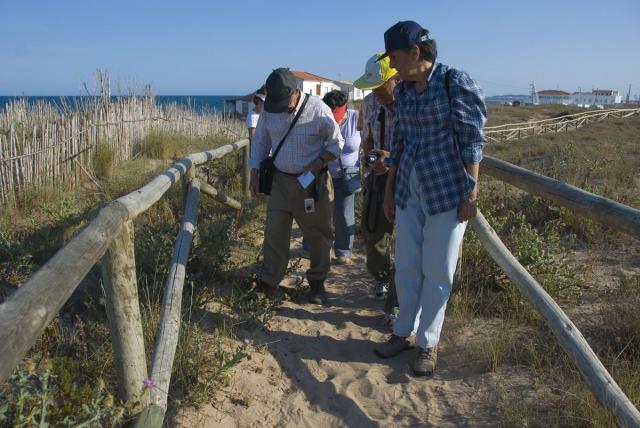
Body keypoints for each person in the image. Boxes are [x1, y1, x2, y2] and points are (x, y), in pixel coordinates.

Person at [373, 21, 487, 377]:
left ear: (415, 53)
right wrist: (390, 193)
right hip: (409, 189)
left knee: (437, 271)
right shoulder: (404, 91)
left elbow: (472, 140)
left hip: (447, 192)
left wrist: (471, 190)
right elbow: (402, 143)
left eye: (394, 57)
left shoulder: (455, 82)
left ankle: (428, 343)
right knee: (406, 266)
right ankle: (403, 332)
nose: (391, 66)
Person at [249, 68, 344, 305]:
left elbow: (337, 143)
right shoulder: (271, 110)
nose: (280, 107)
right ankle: (269, 282)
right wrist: (254, 172)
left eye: (284, 102)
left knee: (318, 235)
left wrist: (318, 163)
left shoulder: (318, 110)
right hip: (281, 182)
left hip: (311, 183)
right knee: (274, 233)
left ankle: (317, 283)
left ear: (296, 92)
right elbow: (261, 140)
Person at [353, 54, 400, 318]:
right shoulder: (369, 102)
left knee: (406, 242)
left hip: (406, 179)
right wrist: (371, 156)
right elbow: (366, 137)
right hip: (377, 178)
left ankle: (398, 298)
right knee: (373, 234)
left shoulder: (411, 103)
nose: (377, 92)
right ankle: (381, 275)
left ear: (397, 79)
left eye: (382, 86)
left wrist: (390, 160)